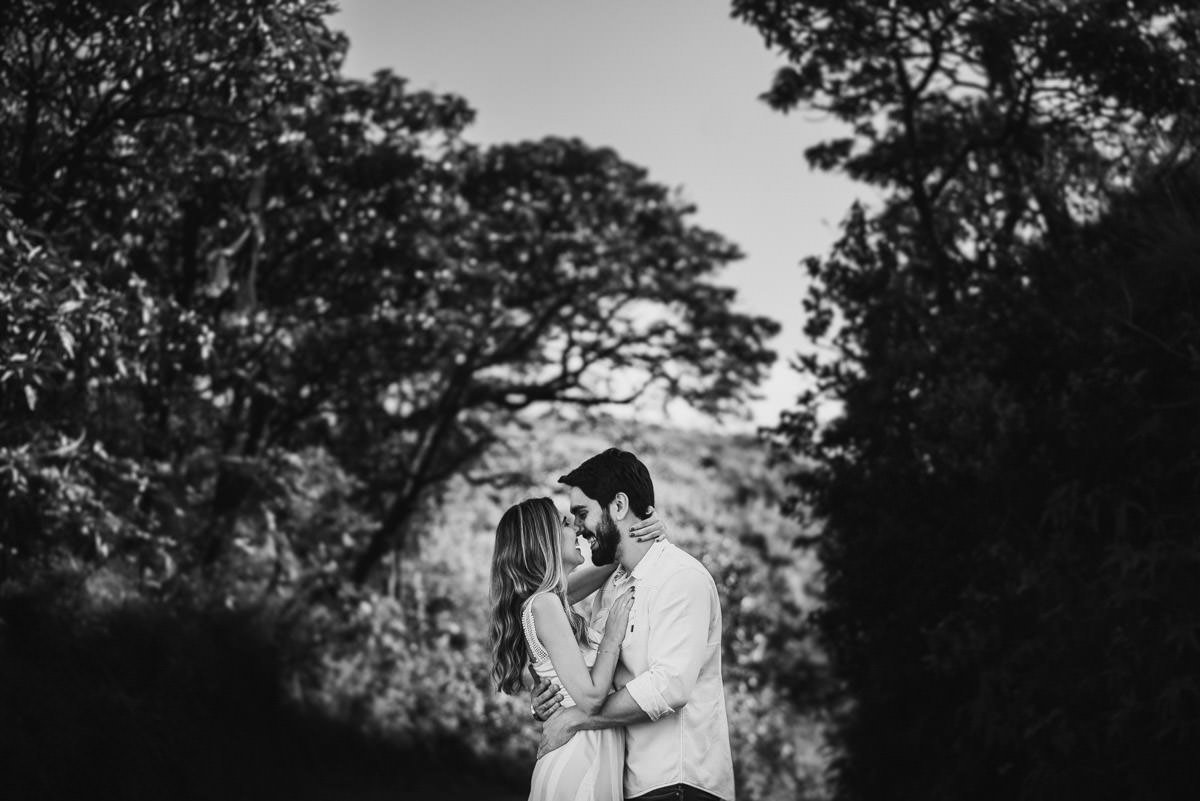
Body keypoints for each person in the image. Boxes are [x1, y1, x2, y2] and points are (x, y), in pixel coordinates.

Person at [534, 448, 736, 801]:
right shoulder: (612, 586)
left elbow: (670, 685)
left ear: (618, 505)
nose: (578, 529)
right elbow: (551, 614)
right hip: (628, 784)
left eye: (582, 513)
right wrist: (548, 696)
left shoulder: (680, 576)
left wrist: (577, 718)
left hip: (678, 784)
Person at [489, 496, 665, 801]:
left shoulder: (549, 602)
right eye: (564, 522)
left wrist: (647, 532)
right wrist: (611, 636)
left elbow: (616, 560)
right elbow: (591, 697)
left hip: (593, 760)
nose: (577, 528)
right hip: (578, 764)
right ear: (543, 541)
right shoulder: (544, 605)